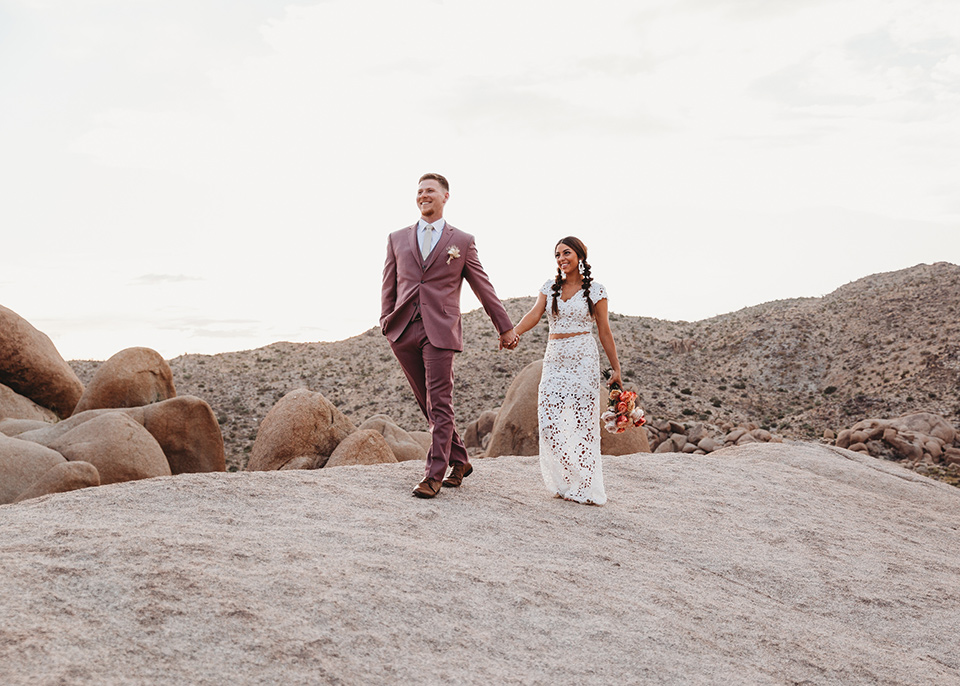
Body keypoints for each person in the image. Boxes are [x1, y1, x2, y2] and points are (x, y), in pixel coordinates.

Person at [380, 173, 519, 499]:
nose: (423, 195)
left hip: (440, 331)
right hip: (402, 330)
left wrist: (505, 326)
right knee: (426, 404)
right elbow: (389, 284)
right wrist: (386, 321)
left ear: (445, 196)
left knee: (440, 403)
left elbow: (483, 287)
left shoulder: (463, 241)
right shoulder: (397, 238)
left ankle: (434, 474)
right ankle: (460, 460)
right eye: (419, 191)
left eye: (430, 191)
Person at [512, 237, 622, 505]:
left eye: (567, 253)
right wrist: (513, 332)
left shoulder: (596, 290)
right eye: (557, 254)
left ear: (580, 256)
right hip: (554, 360)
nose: (561, 258)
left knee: (583, 425)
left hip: (583, 359)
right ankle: (566, 477)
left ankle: (585, 485)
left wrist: (615, 369)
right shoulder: (549, 288)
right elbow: (535, 314)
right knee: (550, 424)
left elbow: (604, 331)